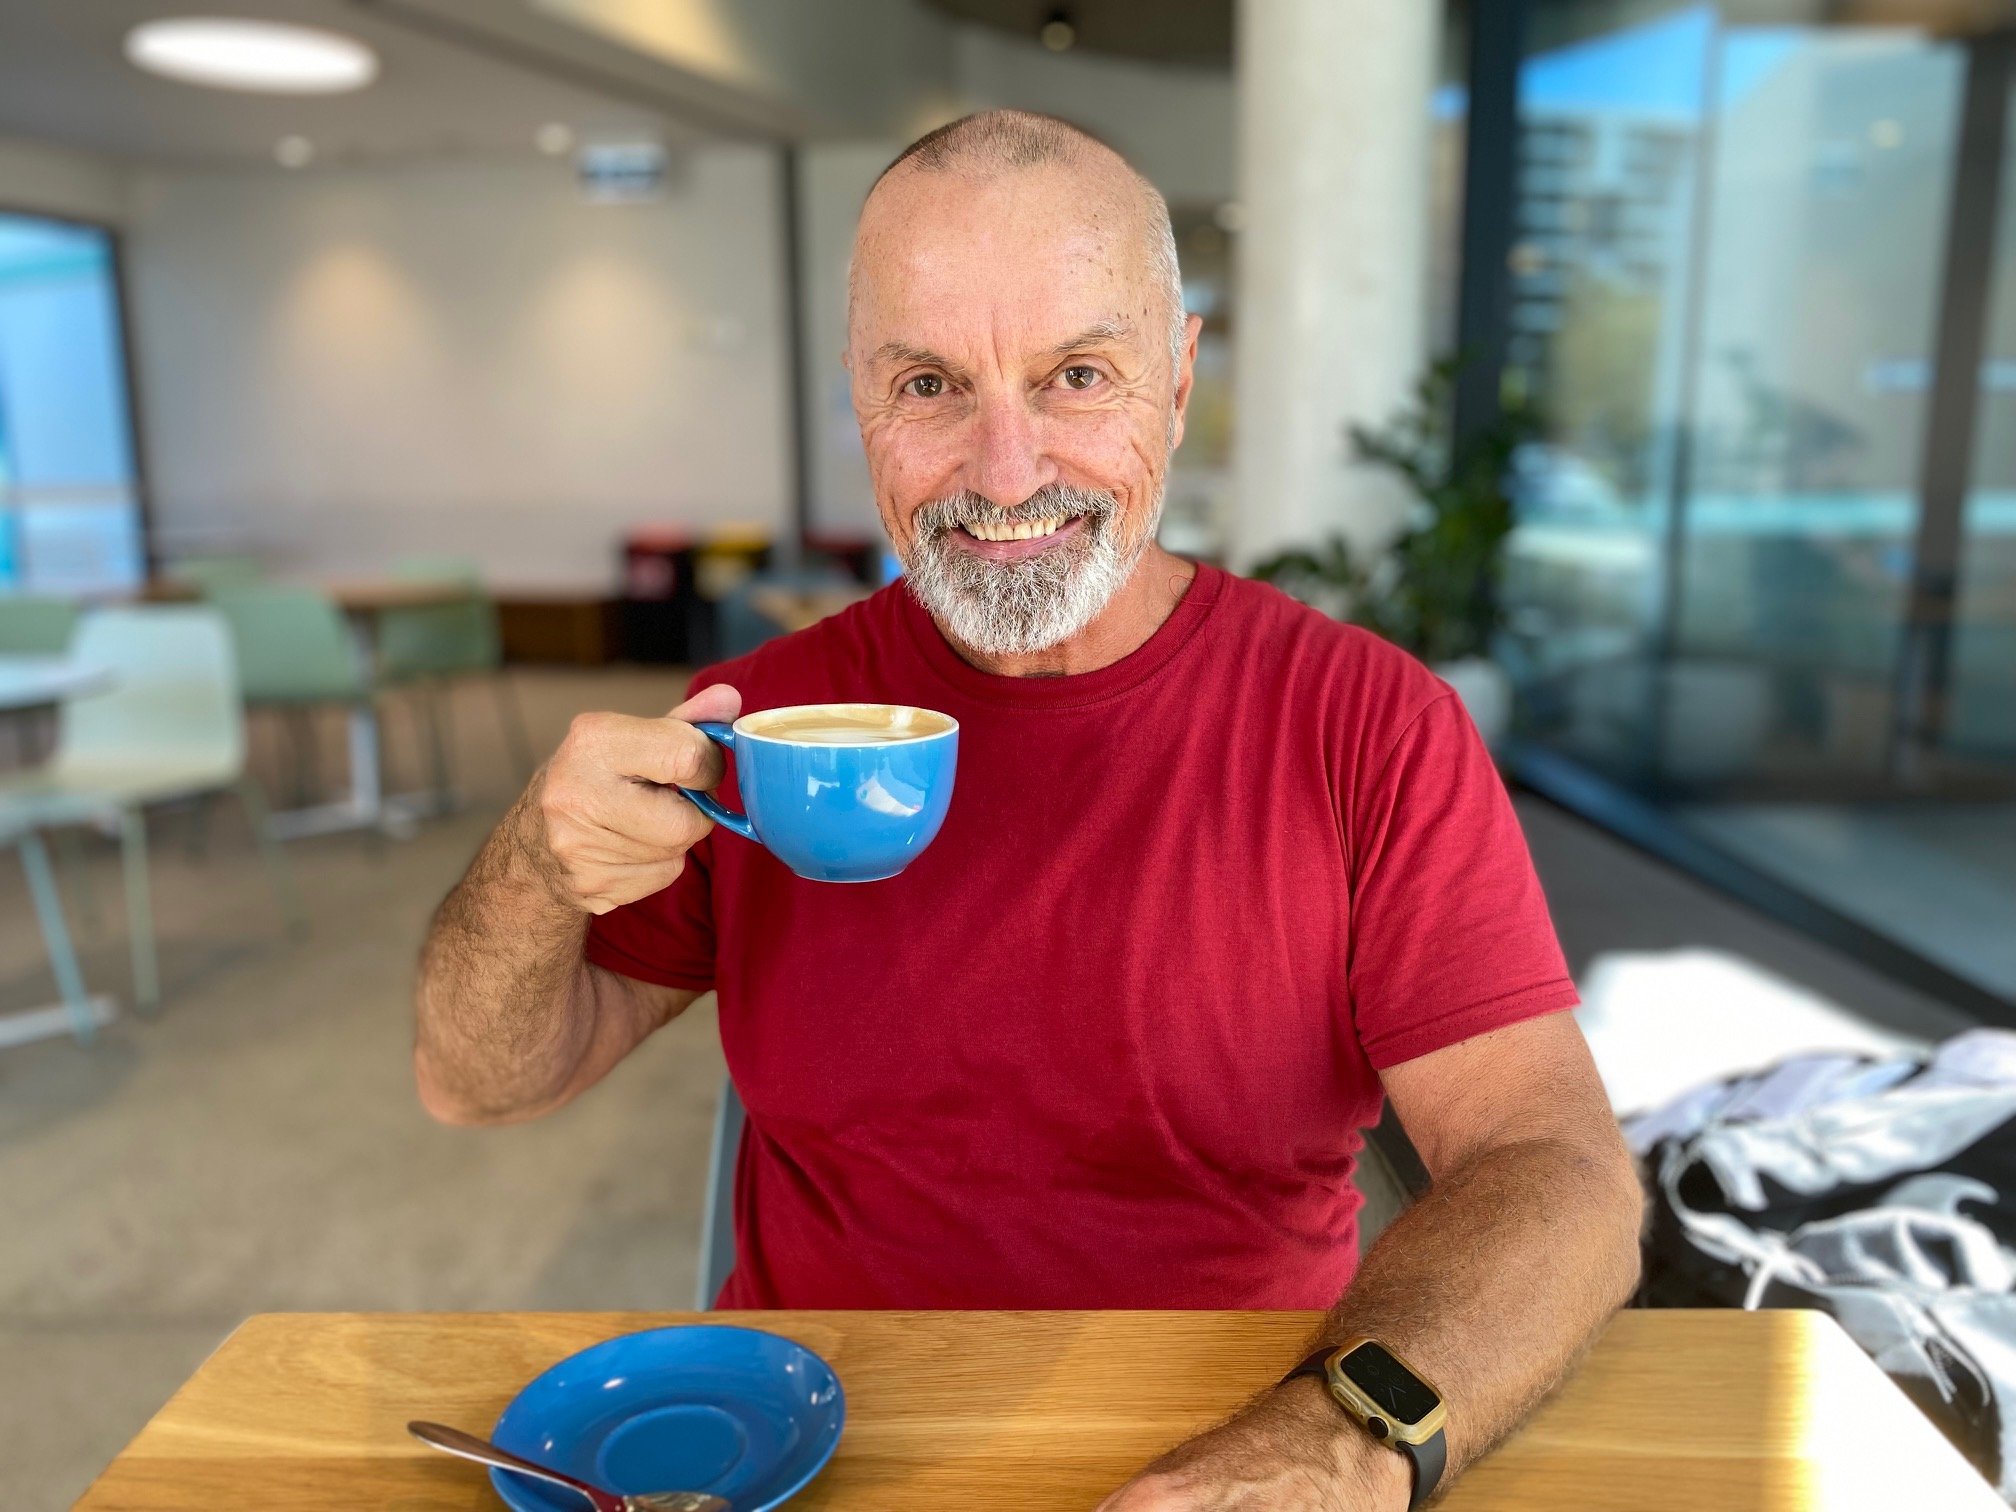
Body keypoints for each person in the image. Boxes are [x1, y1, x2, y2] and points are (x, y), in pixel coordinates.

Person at [415, 110, 1642, 1511]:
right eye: (931, 383)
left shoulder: (1366, 725)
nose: (1006, 472)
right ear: (858, 399)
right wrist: (533, 865)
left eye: (1076, 375)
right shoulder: (753, 729)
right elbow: (480, 1081)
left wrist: (1336, 1446)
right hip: (809, 1444)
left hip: (1244, 1427)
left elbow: (1560, 1173)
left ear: (1178, 381)